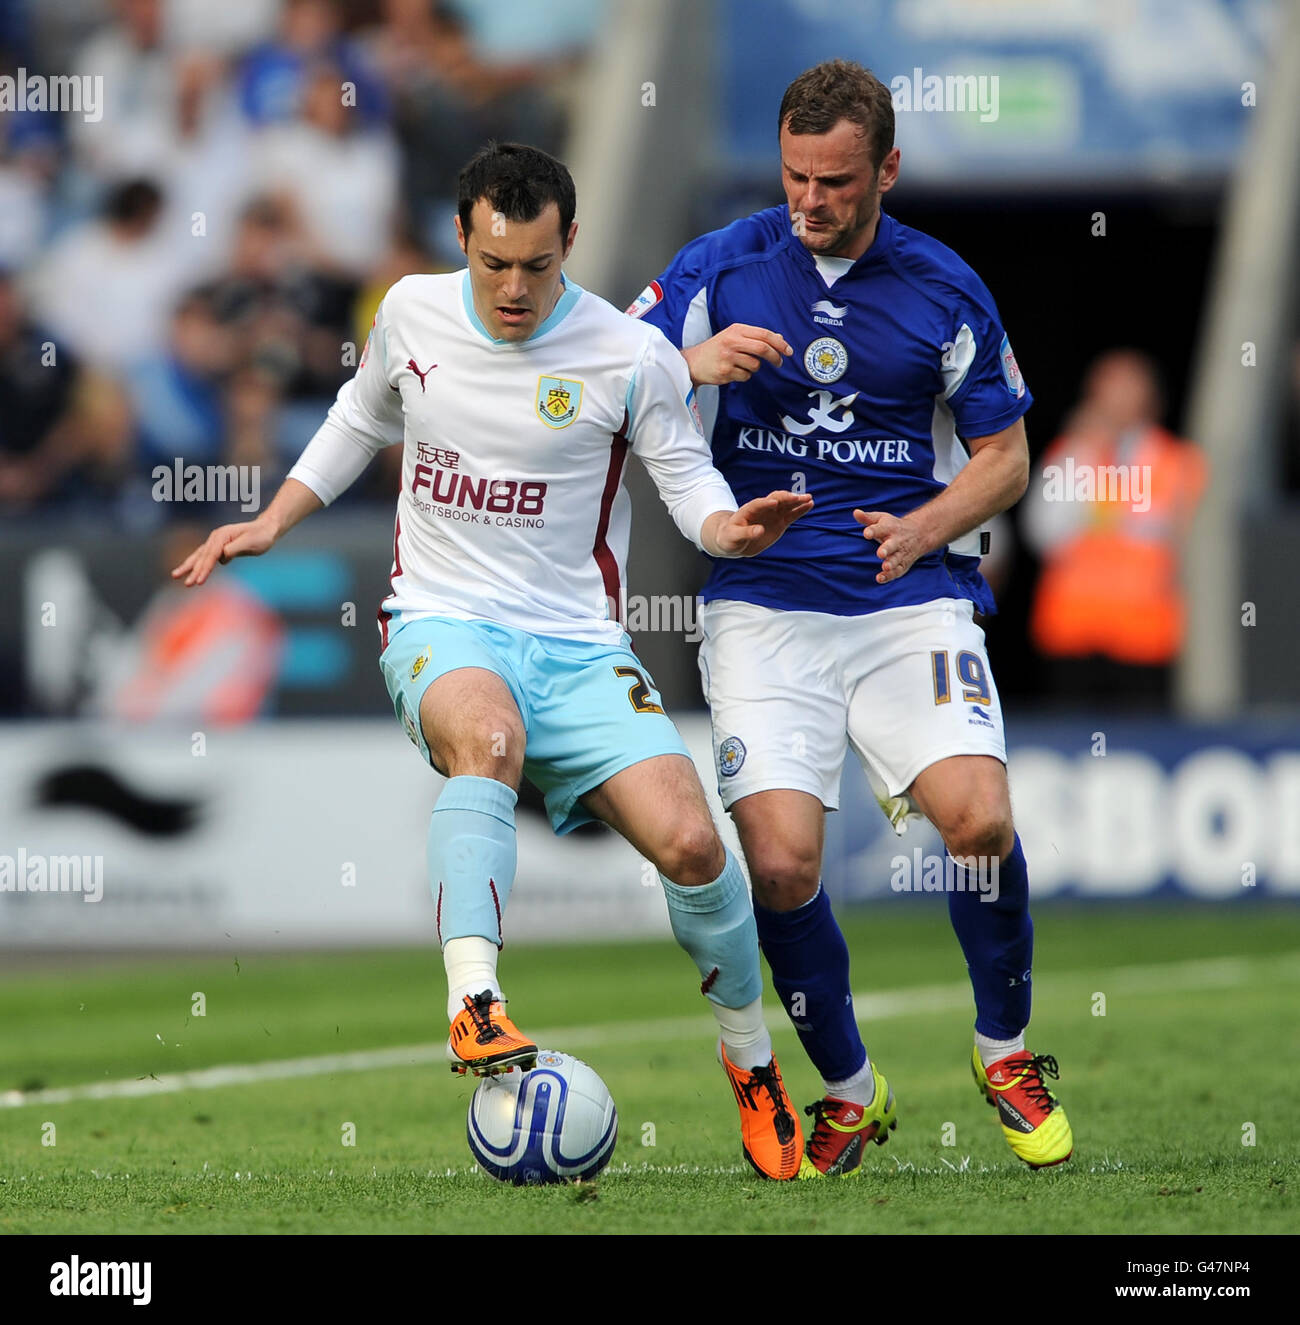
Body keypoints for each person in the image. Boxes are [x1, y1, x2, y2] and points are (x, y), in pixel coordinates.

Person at [172, 142, 814, 1181]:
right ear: (462, 239)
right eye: (494, 263)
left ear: (570, 245)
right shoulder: (411, 315)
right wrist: (275, 517)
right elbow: (359, 417)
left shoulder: (627, 353)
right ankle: (475, 1001)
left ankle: (751, 1066)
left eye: (537, 266)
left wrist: (733, 531)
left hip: (576, 642)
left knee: (697, 845)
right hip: (442, 619)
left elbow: (688, 484)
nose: (514, 288)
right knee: (488, 737)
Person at [630, 59, 1073, 1176]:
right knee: (776, 866)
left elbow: (1007, 458)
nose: (808, 202)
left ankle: (1004, 1048)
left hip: (903, 600)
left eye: (833, 182)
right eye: (792, 176)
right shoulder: (718, 265)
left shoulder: (944, 286)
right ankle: (848, 1089)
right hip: (762, 608)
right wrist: (688, 360)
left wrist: (926, 528)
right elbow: (602, 374)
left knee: (975, 821)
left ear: (885, 169)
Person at [1022, 349, 1206, 707]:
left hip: (1145, 638)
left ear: (1150, 397)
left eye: (1126, 387)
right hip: (1072, 635)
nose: (1115, 399)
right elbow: (1042, 531)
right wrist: (1082, 451)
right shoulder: (1071, 455)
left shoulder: (1178, 461)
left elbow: (1188, 543)